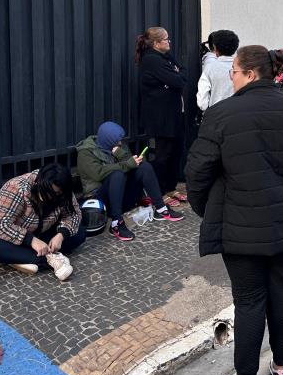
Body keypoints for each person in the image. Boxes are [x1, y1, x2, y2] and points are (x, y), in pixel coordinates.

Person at [185, 45, 283, 375]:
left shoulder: (220, 115)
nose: (230, 77)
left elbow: (197, 173)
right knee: (281, 293)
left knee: (249, 301)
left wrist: (207, 210)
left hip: (239, 225)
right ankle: (282, 368)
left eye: (233, 71)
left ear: (250, 73)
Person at [0, 163, 84, 281]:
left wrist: (61, 235)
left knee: (80, 232)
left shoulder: (63, 191)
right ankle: (50, 259)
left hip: (41, 231)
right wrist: (31, 240)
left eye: (57, 194)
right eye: (49, 192)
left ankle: (19, 258)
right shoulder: (17, 187)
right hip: (9, 235)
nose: (51, 197)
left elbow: (73, 214)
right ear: (39, 184)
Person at [76, 121, 183, 242]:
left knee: (144, 167)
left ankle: (161, 208)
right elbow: (98, 173)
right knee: (117, 174)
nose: (120, 143)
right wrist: (126, 164)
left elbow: (130, 164)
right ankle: (116, 223)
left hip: (121, 196)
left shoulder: (117, 146)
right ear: (108, 140)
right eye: (117, 141)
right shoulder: (86, 152)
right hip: (101, 200)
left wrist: (121, 155)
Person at [136, 27, 187, 203]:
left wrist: (176, 76)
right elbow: (177, 80)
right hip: (161, 117)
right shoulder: (152, 60)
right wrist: (175, 77)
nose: (169, 41)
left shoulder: (165, 57)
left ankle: (171, 188)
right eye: (166, 39)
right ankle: (159, 192)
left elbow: (182, 74)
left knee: (176, 152)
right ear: (156, 43)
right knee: (163, 155)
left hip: (174, 114)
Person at [197, 29, 240, 113]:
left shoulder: (209, 68)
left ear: (215, 47)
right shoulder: (243, 67)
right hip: (238, 113)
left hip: (216, 114)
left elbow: (202, 102)